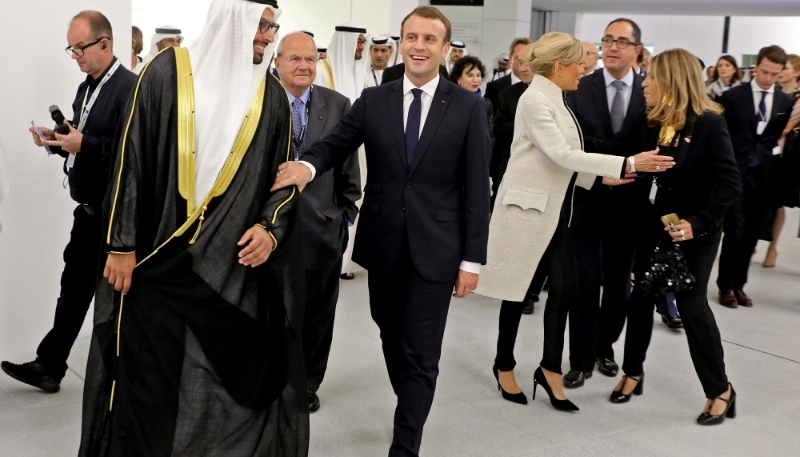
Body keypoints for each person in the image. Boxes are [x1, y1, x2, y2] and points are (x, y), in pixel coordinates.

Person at [78, 1, 309, 455]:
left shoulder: (273, 96)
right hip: (155, 261)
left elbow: (282, 180)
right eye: (262, 26)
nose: (268, 36)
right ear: (233, 20)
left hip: (230, 267)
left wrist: (269, 227)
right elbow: (132, 161)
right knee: (149, 375)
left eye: (272, 27)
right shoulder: (166, 72)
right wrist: (121, 245)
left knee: (226, 380)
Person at [272, 7, 490, 455]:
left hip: (438, 250)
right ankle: (409, 393)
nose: (418, 45)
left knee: (421, 352)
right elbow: (334, 144)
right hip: (384, 244)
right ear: (401, 43)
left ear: (444, 49)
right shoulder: (375, 100)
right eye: (411, 36)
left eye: (429, 39)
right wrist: (307, 166)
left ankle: (405, 443)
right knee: (390, 332)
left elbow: (475, 190)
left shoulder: (469, 107)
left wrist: (472, 261)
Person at [477, 31, 674, 410]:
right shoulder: (536, 100)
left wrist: (600, 176)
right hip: (527, 212)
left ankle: (550, 368)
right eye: (579, 64)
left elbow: (561, 159)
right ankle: (504, 365)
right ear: (559, 66)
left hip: (555, 212)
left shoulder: (557, 99)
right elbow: (562, 153)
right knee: (519, 292)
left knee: (566, 287)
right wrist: (628, 163)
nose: (585, 69)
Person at [1, 10, 136, 395]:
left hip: (116, 217)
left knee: (118, 303)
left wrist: (84, 144)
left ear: (105, 44)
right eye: (71, 49)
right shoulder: (86, 87)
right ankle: (50, 365)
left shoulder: (129, 88)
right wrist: (57, 142)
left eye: (80, 48)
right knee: (73, 290)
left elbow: (132, 153)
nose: (74, 56)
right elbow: (83, 144)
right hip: (89, 212)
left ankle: (123, 381)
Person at [615, 48, 741, 425]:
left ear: (671, 82)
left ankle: (720, 389)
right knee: (639, 299)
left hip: (695, 231)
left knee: (690, 305)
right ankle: (632, 373)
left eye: (651, 77)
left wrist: (697, 222)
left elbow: (730, 184)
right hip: (653, 226)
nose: (644, 83)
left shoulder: (708, 123)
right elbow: (617, 152)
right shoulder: (648, 119)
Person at [563, 17, 653, 389]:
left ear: (636, 49)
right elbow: (573, 144)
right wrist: (607, 165)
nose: (613, 47)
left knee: (619, 283)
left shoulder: (650, 92)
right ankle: (580, 358)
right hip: (588, 196)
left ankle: (605, 348)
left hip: (631, 201)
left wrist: (625, 165)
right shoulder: (581, 87)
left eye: (621, 41)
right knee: (583, 280)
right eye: (607, 40)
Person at [275, 31, 362, 413]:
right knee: (273, 309)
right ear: (277, 62)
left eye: (310, 59)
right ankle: (274, 378)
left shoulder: (337, 104)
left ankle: (308, 382)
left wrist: (343, 217)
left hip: (321, 229)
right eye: (294, 58)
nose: (303, 66)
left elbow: (348, 170)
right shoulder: (259, 101)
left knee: (317, 313)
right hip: (270, 231)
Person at [716, 45, 793, 308]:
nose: (768, 78)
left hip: (765, 175)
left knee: (751, 234)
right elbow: (722, 135)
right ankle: (724, 285)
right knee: (735, 231)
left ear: (781, 73)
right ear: (755, 67)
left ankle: (739, 285)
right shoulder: (733, 97)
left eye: (774, 74)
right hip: (736, 172)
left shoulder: (785, 101)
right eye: (764, 72)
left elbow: (773, 137)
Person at [763, 53, 800, 267]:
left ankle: (772, 247)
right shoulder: (773, 94)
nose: (780, 73)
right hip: (769, 151)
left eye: (785, 69)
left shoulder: (796, 100)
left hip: (786, 155)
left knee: (778, 203)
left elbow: (784, 129)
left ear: (796, 72)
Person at [490, 42, 533, 209]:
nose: (523, 68)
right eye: (520, 62)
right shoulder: (508, 94)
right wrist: (530, 128)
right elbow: (499, 127)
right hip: (510, 166)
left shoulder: (555, 93)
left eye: (528, 62)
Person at [315, 23, 367, 103]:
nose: (362, 47)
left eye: (363, 42)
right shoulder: (321, 69)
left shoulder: (362, 73)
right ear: (345, 43)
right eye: (358, 42)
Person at [450, 55, 493, 147]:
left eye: (478, 75)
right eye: (470, 75)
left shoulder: (486, 103)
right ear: (458, 78)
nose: (475, 80)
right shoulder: (449, 102)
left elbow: (490, 136)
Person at [485, 37, 532, 112]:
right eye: (519, 58)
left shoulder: (539, 86)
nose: (524, 64)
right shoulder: (494, 87)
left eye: (528, 59)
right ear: (510, 58)